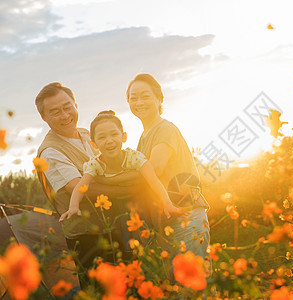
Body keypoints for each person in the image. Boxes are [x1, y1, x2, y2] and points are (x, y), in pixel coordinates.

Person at [35, 82, 141, 284]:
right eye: (55, 112)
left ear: (75, 104)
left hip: (114, 224)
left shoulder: (86, 133)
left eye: (67, 107)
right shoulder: (49, 151)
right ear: (44, 117)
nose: (65, 115)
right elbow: (81, 187)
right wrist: (130, 189)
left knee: (130, 285)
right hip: (87, 238)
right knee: (101, 291)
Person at [126, 73, 210, 260]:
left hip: (185, 214)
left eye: (145, 96)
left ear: (159, 99)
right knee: (178, 284)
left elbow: (154, 170)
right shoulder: (144, 137)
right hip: (169, 217)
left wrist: (111, 181)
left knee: (194, 283)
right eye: (133, 98)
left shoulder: (165, 129)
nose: (139, 102)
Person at [59, 110, 184, 223]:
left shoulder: (134, 158)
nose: (109, 141)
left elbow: (153, 181)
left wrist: (167, 203)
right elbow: (81, 187)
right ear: (94, 144)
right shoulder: (95, 164)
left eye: (114, 134)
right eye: (102, 137)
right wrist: (73, 207)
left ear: (124, 137)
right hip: (114, 207)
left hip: (140, 203)